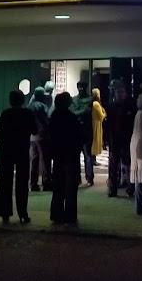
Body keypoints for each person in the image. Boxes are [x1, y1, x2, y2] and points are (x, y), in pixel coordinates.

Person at [0, 89, 37, 224]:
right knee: (22, 183)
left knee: (4, 182)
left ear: (10, 101)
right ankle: (23, 213)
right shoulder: (28, 113)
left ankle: (4, 213)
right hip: (22, 150)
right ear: (22, 100)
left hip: (6, 151)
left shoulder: (6, 113)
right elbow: (35, 130)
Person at [48, 91, 83, 226]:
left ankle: (56, 214)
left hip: (58, 155)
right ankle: (70, 215)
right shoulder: (72, 118)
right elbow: (79, 137)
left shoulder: (54, 117)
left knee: (58, 186)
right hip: (71, 155)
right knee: (71, 187)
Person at [106, 81, 135, 197]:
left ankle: (130, 187)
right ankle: (113, 189)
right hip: (115, 140)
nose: (120, 94)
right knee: (113, 166)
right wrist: (108, 140)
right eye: (118, 92)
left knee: (129, 165)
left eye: (122, 92)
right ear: (115, 93)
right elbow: (108, 125)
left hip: (127, 140)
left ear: (125, 93)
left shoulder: (130, 106)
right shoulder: (111, 107)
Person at [70, 80, 94, 186]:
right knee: (79, 157)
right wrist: (83, 111)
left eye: (82, 87)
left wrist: (79, 112)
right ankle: (79, 178)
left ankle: (88, 178)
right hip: (78, 131)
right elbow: (73, 112)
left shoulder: (89, 99)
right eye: (79, 87)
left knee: (87, 156)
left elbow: (87, 112)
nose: (80, 89)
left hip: (85, 130)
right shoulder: (75, 99)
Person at [27, 86, 51, 191]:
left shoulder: (29, 106)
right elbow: (47, 120)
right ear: (41, 96)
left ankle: (33, 184)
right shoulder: (42, 106)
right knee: (45, 160)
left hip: (32, 137)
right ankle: (46, 183)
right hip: (43, 136)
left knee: (34, 160)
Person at [91, 88, 107, 163]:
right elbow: (101, 116)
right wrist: (105, 114)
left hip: (94, 123)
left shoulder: (93, 103)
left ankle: (93, 159)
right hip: (96, 124)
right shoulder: (96, 104)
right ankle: (93, 160)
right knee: (95, 141)